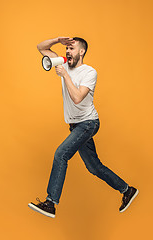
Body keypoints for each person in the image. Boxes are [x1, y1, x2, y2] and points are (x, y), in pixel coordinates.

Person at [28, 37, 139, 218]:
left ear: (81, 52)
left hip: (88, 123)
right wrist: (58, 40)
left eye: (71, 48)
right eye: (66, 49)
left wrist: (64, 75)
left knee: (61, 154)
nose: (67, 52)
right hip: (75, 126)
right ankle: (127, 190)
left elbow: (78, 97)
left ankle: (51, 203)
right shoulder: (63, 64)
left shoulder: (89, 72)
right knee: (94, 167)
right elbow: (40, 47)